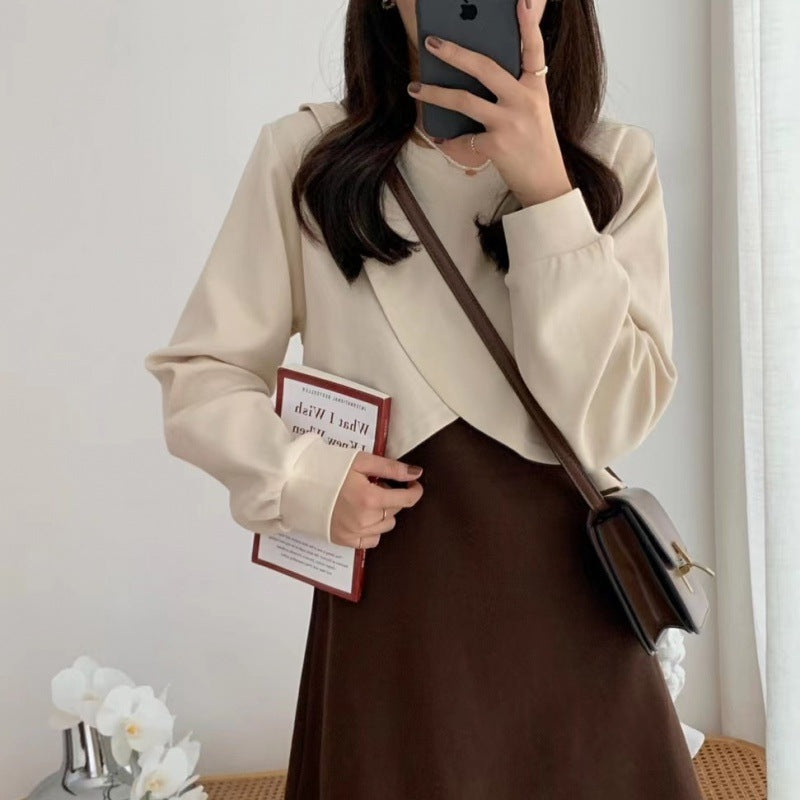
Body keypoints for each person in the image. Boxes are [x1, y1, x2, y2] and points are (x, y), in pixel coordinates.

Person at [144, 0, 705, 797]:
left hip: (579, 607)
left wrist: (548, 193)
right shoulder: (306, 157)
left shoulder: (613, 162)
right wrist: (305, 478)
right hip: (399, 610)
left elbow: (614, 418)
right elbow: (203, 373)